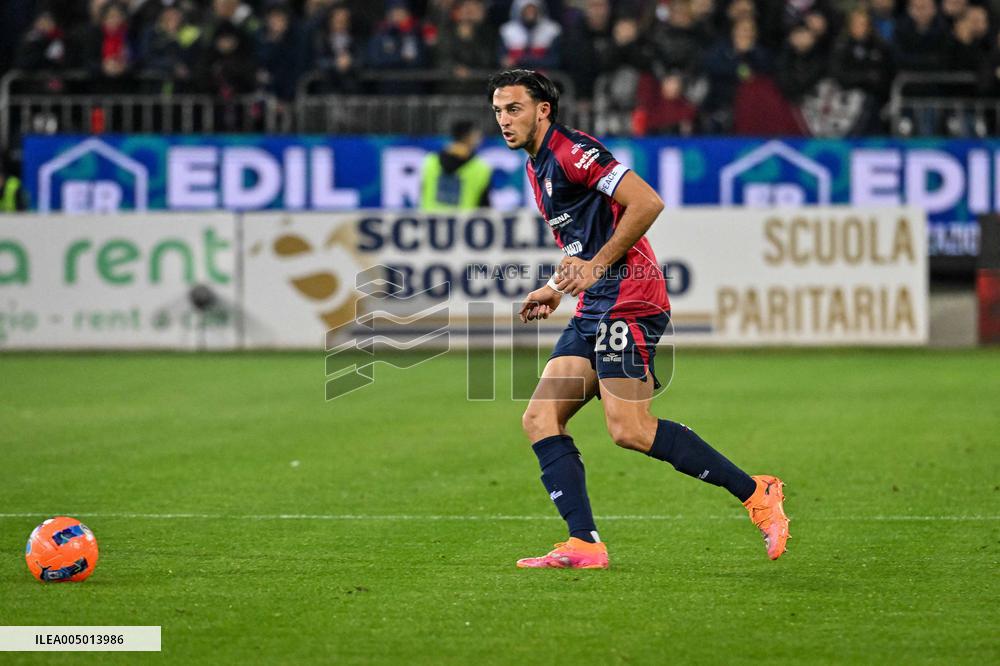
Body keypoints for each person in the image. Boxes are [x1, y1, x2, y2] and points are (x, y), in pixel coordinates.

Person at [488, 69, 790, 569]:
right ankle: (584, 543)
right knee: (540, 418)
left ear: (543, 109)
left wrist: (598, 267)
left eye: (513, 108)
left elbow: (647, 201)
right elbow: (583, 246)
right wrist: (556, 287)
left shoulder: (573, 151)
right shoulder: (536, 167)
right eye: (497, 110)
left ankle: (758, 492)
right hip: (596, 303)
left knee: (628, 428)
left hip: (630, 296)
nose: (503, 119)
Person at [420, 120, 492, 211]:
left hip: (431, 222)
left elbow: (422, 193)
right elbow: (484, 208)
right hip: (463, 223)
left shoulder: (430, 161)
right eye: (477, 135)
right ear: (469, 136)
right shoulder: (481, 168)